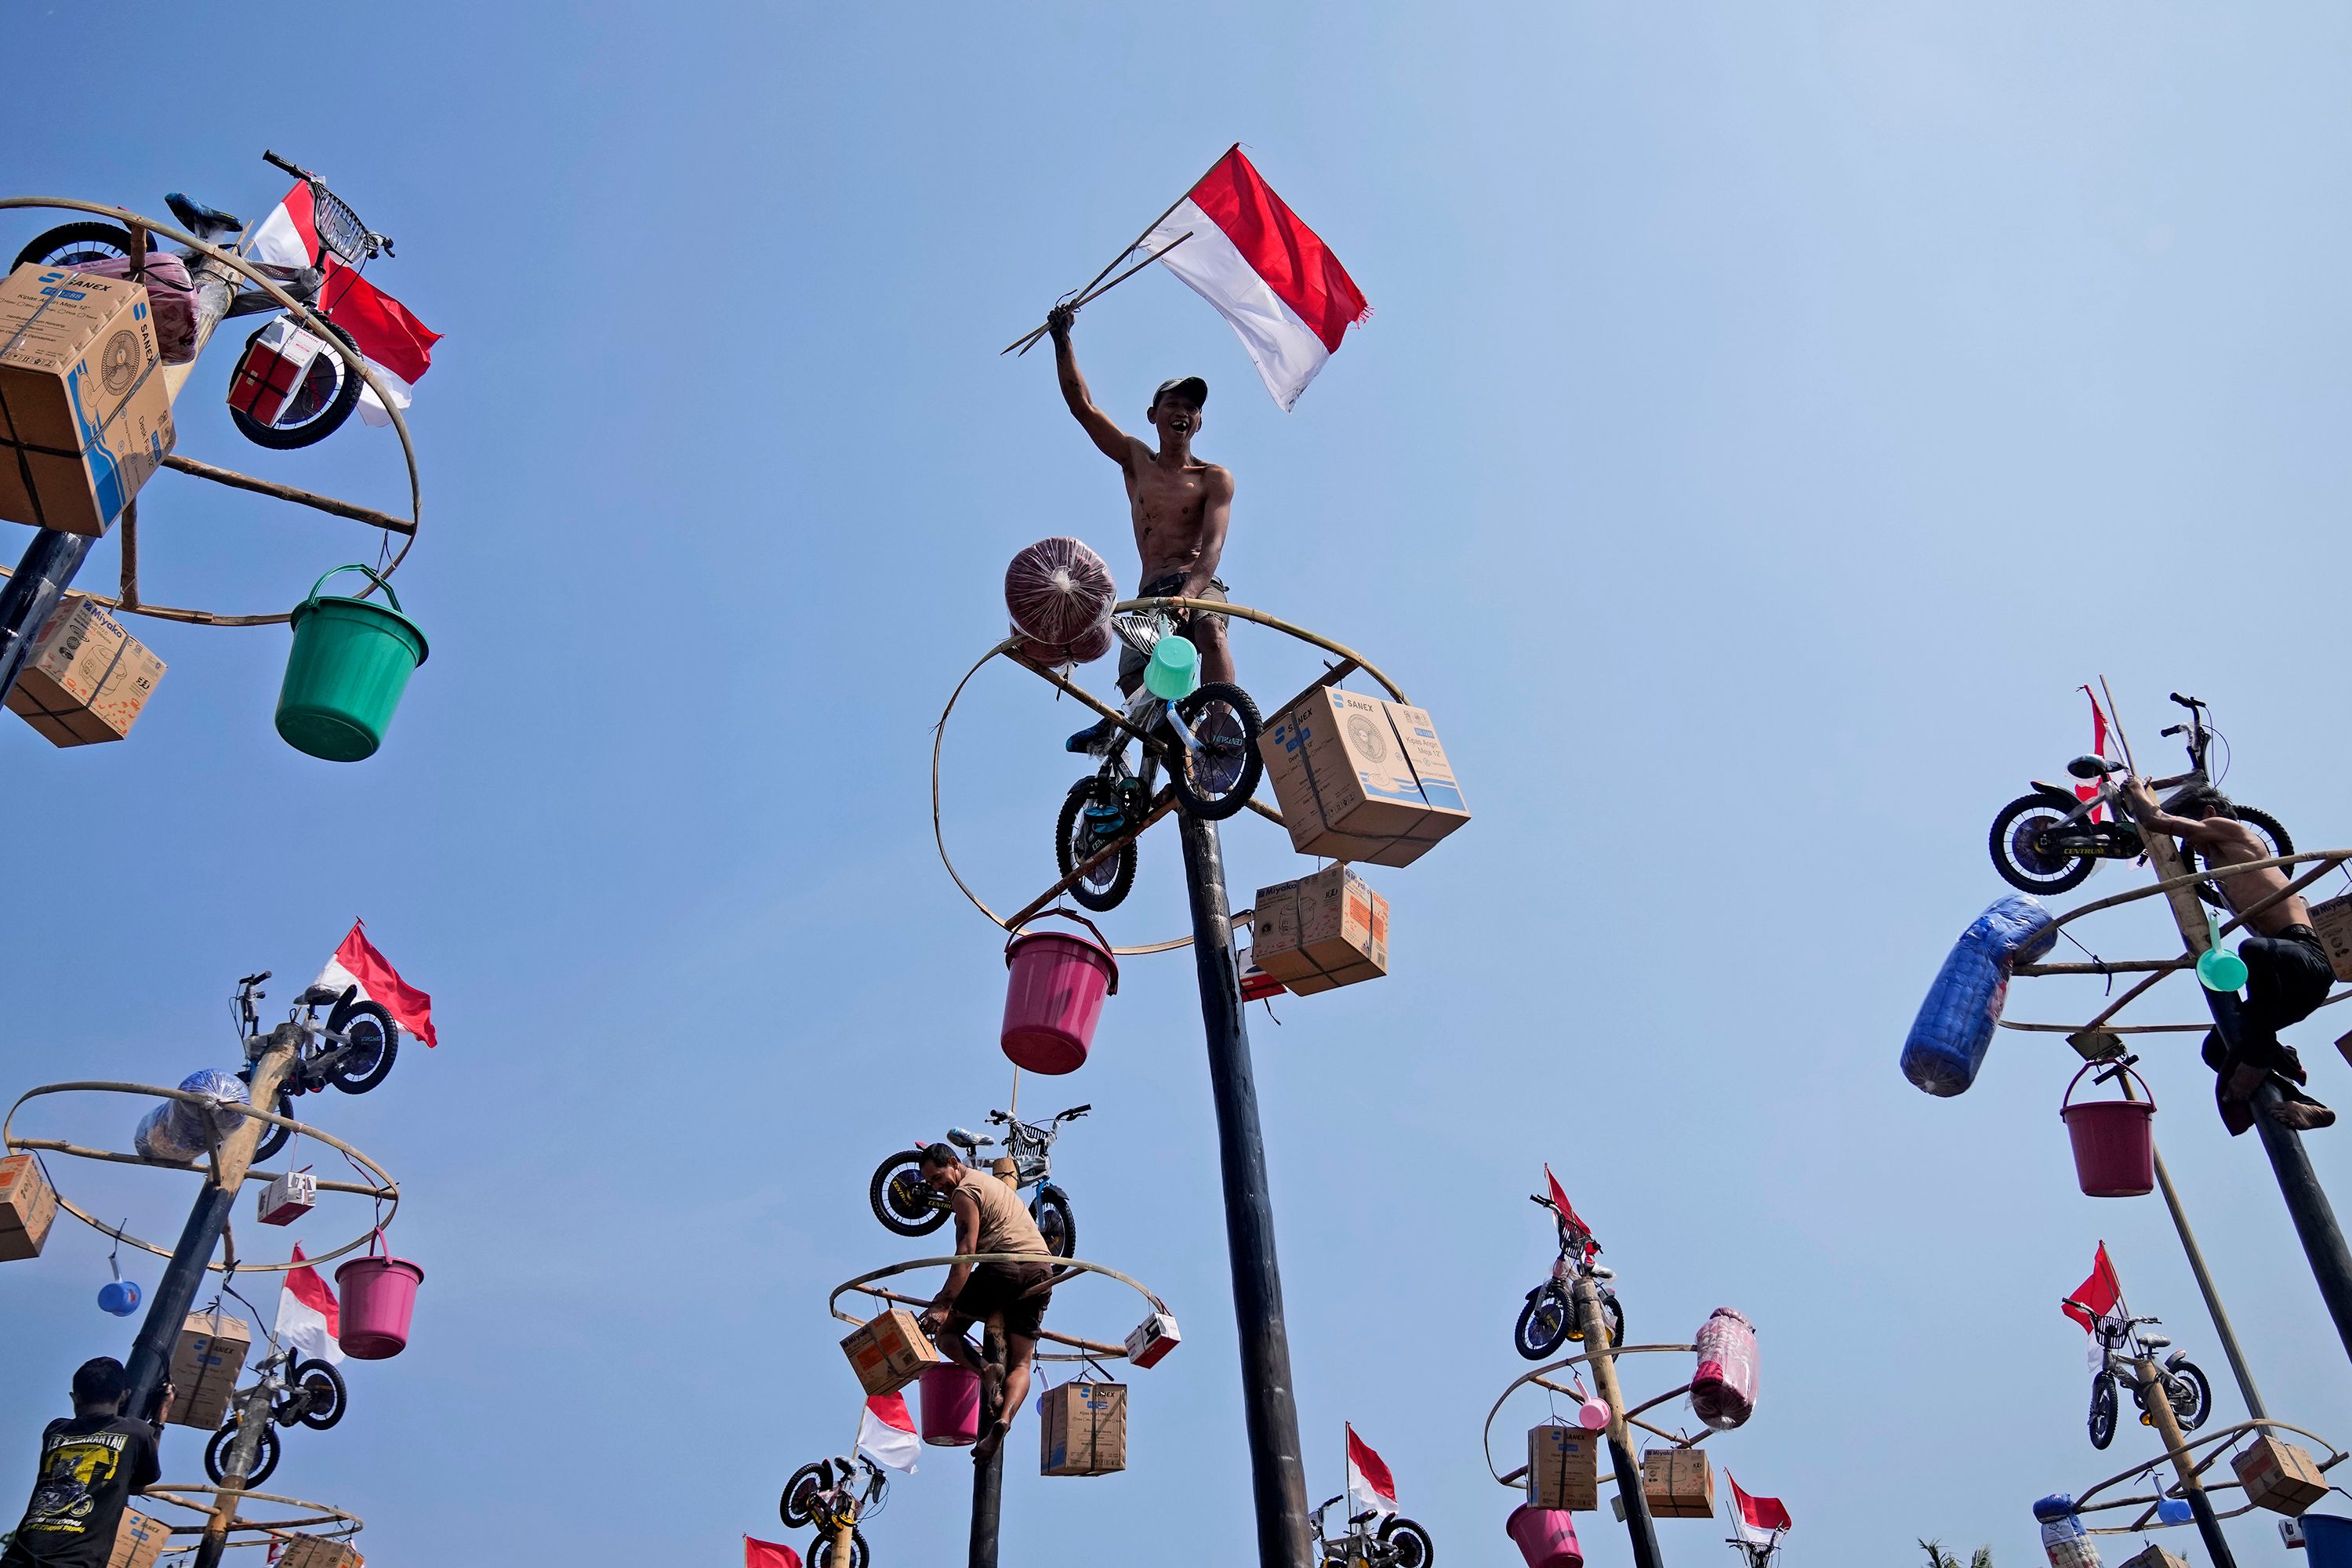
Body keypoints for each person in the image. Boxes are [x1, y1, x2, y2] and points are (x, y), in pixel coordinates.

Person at [1047, 301, 1236, 752]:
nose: (1183, 412)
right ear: (1154, 415)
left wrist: (1189, 595)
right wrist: (1062, 339)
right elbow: (1084, 407)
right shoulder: (1136, 461)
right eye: (1174, 404)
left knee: (1210, 632)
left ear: (1199, 421)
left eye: (1191, 408)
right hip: (1151, 591)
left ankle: (1222, 729)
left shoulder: (1214, 478)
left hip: (1199, 583)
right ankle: (1163, 743)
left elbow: (1212, 546)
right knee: (1135, 673)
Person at [2124, 779, 2336, 1134]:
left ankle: (2262, 1057)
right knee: (2217, 1047)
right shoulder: (2222, 874)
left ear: (2207, 815)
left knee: (2253, 950)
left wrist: (2135, 792)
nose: (2190, 843)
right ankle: (2308, 1103)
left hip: (2306, 959)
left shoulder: (2231, 831)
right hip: (2284, 986)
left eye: (2193, 831)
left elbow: (2157, 820)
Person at [913, 1142, 1055, 1462]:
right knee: (1021, 1364)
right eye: (932, 1184)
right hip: (1041, 1272)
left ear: (953, 1162)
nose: (938, 1187)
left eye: (938, 1178)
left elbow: (966, 1253)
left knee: (947, 1335)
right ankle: (1004, 1420)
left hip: (1004, 1268)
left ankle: (985, 1368)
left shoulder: (966, 1193)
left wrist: (944, 1304)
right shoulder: (992, 1186)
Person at [3, 1359, 171, 1568]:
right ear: (124, 1396)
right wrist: (160, 1416)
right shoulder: (137, 1432)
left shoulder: (56, 1430)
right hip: (76, 1563)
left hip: (18, 1559)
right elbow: (142, 1480)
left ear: (75, 1397)